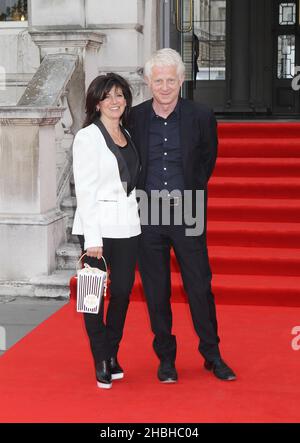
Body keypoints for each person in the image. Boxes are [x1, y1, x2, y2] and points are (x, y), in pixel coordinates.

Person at [129, 48, 236, 383]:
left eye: (171, 80)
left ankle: (212, 354)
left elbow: (207, 159)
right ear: (148, 82)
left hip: (187, 209)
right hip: (147, 212)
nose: (164, 86)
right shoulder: (135, 117)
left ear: (181, 80)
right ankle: (166, 358)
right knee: (156, 289)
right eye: (158, 80)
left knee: (199, 286)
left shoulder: (201, 116)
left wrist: (192, 190)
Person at [72, 73, 141, 389]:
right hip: (96, 228)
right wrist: (93, 239)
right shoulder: (87, 137)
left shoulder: (127, 132)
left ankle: (111, 352)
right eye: (108, 96)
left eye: (120, 95)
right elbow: (84, 190)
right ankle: (101, 358)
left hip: (128, 226)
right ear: (97, 102)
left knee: (123, 292)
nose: (115, 101)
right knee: (91, 298)